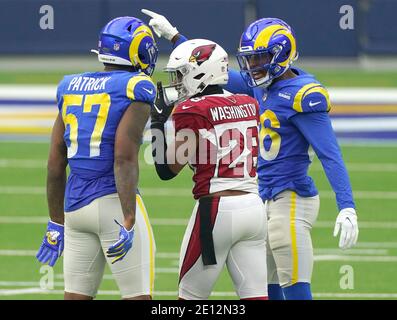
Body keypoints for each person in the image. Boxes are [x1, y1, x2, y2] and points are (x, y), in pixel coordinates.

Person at [142, 10, 359, 300]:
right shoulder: (255, 89)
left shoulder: (303, 94)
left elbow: (329, 153)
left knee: (289, 278)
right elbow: (206, 69)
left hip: (290, 195)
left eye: (261, 57)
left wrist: (347, 205)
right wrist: (175, 37)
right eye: (251, 57)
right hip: (258, 199)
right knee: (263, 290)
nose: (253, 65)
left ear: (282, 54)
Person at [36, 16, 158, 300]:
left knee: (76, 297)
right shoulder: (136, 87)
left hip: (75, 209)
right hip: (113, 202)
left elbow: (55, 163)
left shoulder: (70, 87)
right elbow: (123, 158)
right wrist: (129, 216)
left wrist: (56, 222)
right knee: (138, 297)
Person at [150, 38, 268, 300]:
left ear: (200, 71)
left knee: (190, 297)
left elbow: (167, 170)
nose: (178, 82)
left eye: (181, 74)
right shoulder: (247, 103)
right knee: (256, 295)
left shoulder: (192, 110)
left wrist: (157, 123)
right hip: (254, 208)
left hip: (218, 209)